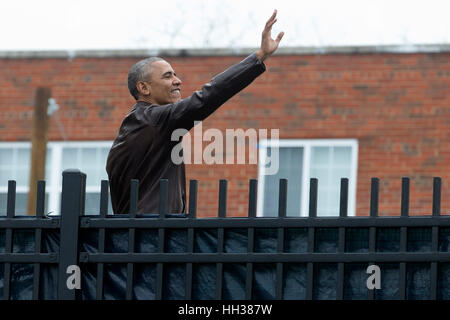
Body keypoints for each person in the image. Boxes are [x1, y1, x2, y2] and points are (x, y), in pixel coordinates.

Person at [106, 10, 284, 214]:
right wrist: (259, 57)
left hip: (139, 238)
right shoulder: (154, 120)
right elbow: (209, 95)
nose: (178, 80)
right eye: (167, 76)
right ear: (144, 88)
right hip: (153, 238)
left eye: (175, 74)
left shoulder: (136, 126)